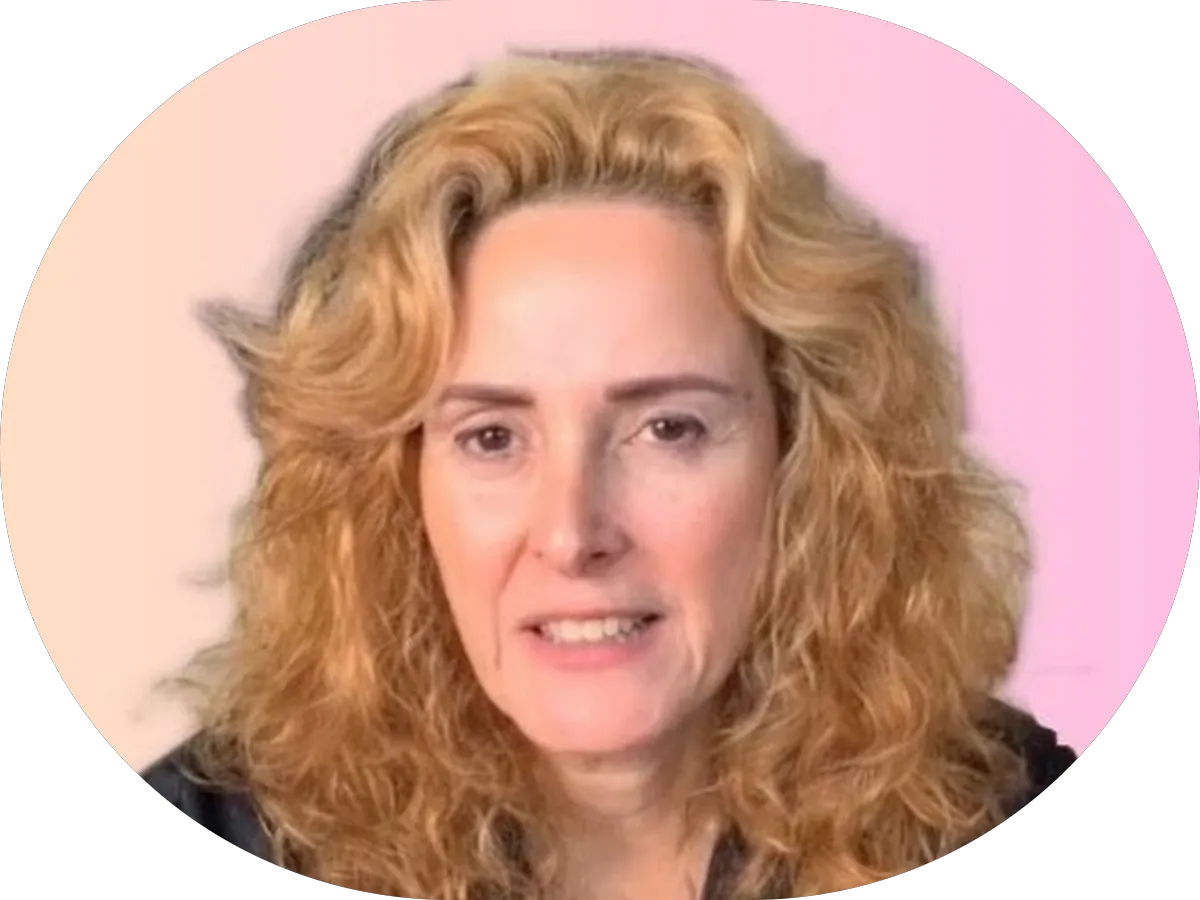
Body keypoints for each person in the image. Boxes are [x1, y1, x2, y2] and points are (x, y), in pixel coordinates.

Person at [142, 48, 1077, 900]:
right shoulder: (221, 827)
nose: (571, 532)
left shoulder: (991, 804)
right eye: (492, 438)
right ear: (397, 488)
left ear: (806, 459)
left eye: (668, 429)